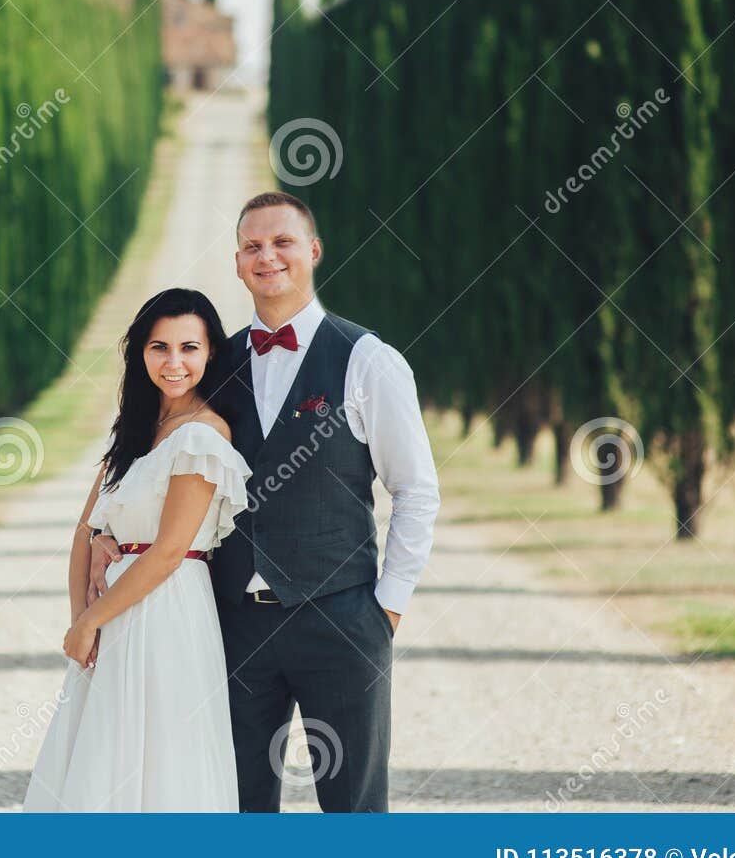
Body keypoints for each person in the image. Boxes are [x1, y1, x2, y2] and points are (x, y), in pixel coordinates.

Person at [90, 191, 441, 812]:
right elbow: (150, 456)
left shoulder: (368, 360)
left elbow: (415, 490)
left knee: (353, 807)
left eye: (282, 242)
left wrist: (387, 606)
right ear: (236, 262)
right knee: (237, 803)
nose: (267, 256)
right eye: (252, 245)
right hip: (229, 624)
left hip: (341, 616)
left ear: (313, 250)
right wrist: (104, 533)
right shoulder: (211, 361)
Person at [24, 288, 251, 811]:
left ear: (211, 352)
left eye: (189, 348)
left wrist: (88, 621)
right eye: (159, 347)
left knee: (159, 757)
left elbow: (170, 550)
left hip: (167, 610)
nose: (174, 363)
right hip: (110, 616)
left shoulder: (204, 436)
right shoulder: (134, 431)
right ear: (140, 353)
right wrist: (81, 617)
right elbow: (84, 530)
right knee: (98, 754)